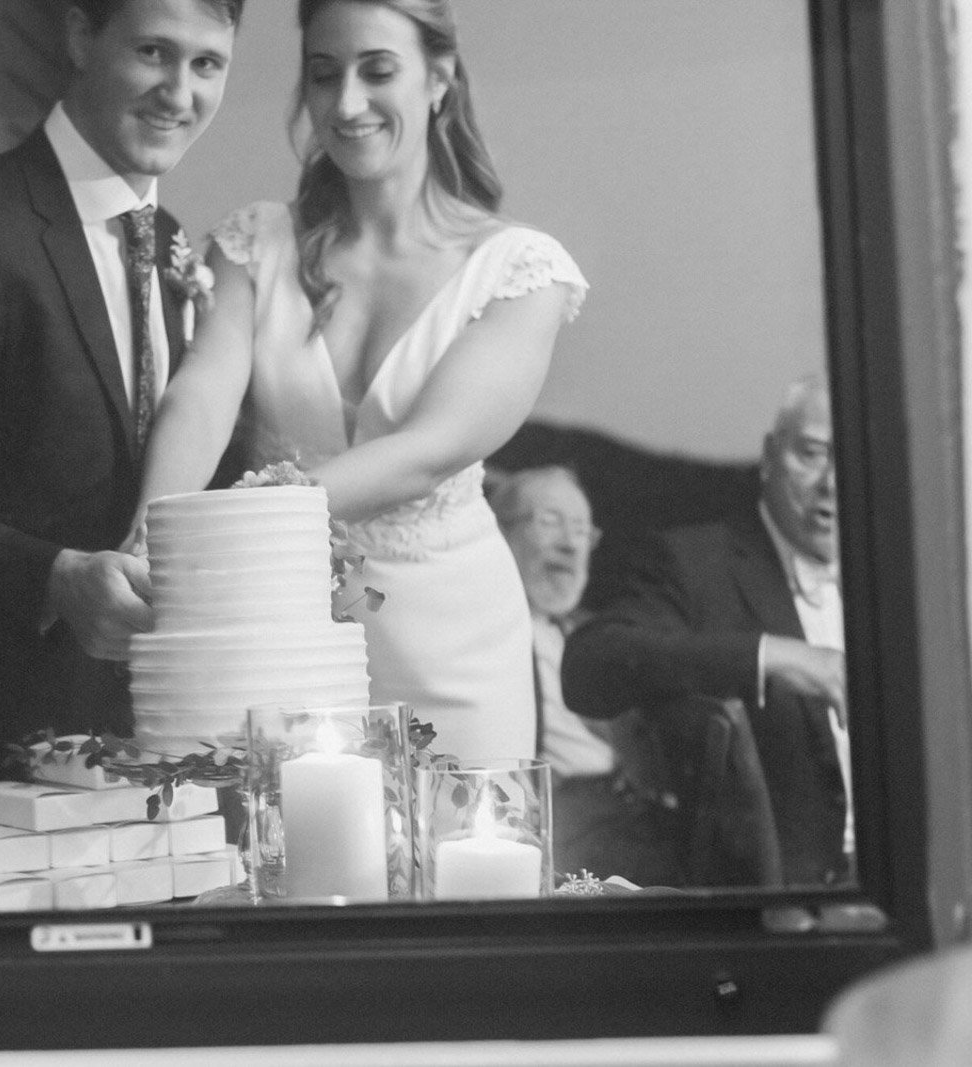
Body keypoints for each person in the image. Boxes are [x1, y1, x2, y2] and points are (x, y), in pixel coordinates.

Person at [130, 0, 587, 760]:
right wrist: (149, 538)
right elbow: (203, 394)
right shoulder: (254, 244)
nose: (345, 105)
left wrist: (236, 531)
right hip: (283, 633)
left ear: (439, 76)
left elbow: (429, 449)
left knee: (461, 861)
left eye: (377, 71)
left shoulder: (520, 271)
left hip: (456, 648)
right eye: (323, 74)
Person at [0, 0, 244, 854]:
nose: (180, 91)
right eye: (152, 51)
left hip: (130, 753)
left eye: (208, 63)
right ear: (78, 36)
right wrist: (54, 576)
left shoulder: (170, 244)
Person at [562, 376, 852, 886]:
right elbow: (589, 663)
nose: (831, 482)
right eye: (812, 454)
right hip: (783, 907)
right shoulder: (696, 563)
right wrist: (771, 656)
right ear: (769, 456)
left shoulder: (908, 572)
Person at [491, 466, 684, 886]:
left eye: (581, 529)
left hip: (630, 809)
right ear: (500, 533)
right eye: (549, 521)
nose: (569, 543)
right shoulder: (481, 637)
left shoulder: (593, 636)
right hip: (559, 819)